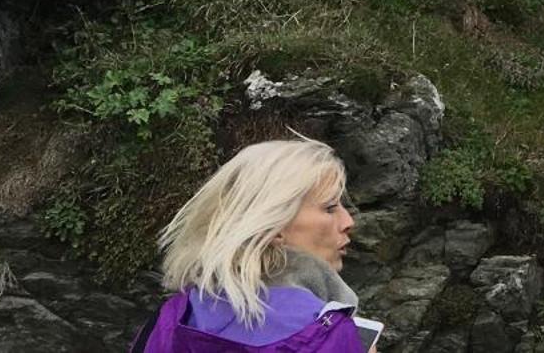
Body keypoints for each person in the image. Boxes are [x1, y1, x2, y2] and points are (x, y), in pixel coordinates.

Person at [130, 136, 367, 352]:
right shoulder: (328, 333)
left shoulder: (167, 321)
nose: (348, 221)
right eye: (329, 207)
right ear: (272, 226)